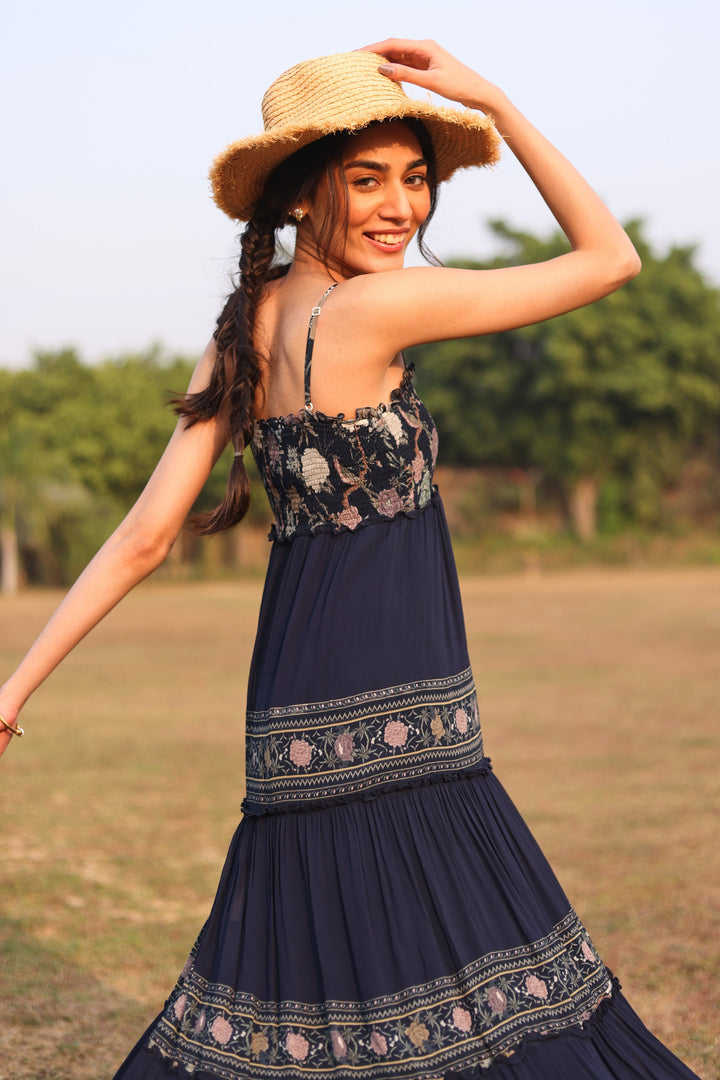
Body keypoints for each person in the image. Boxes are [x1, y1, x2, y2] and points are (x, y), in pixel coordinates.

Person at [0, 38, 703, 1080]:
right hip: (398, 695)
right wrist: (497, 103)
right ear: (298, 194)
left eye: (416, 178)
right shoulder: (378, 307)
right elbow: (611, 259)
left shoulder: (243, 326)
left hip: (290, 708)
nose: (401, 207)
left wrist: (14, 688)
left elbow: (143, 535)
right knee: (459, 976)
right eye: (366, 179)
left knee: (318, 986)